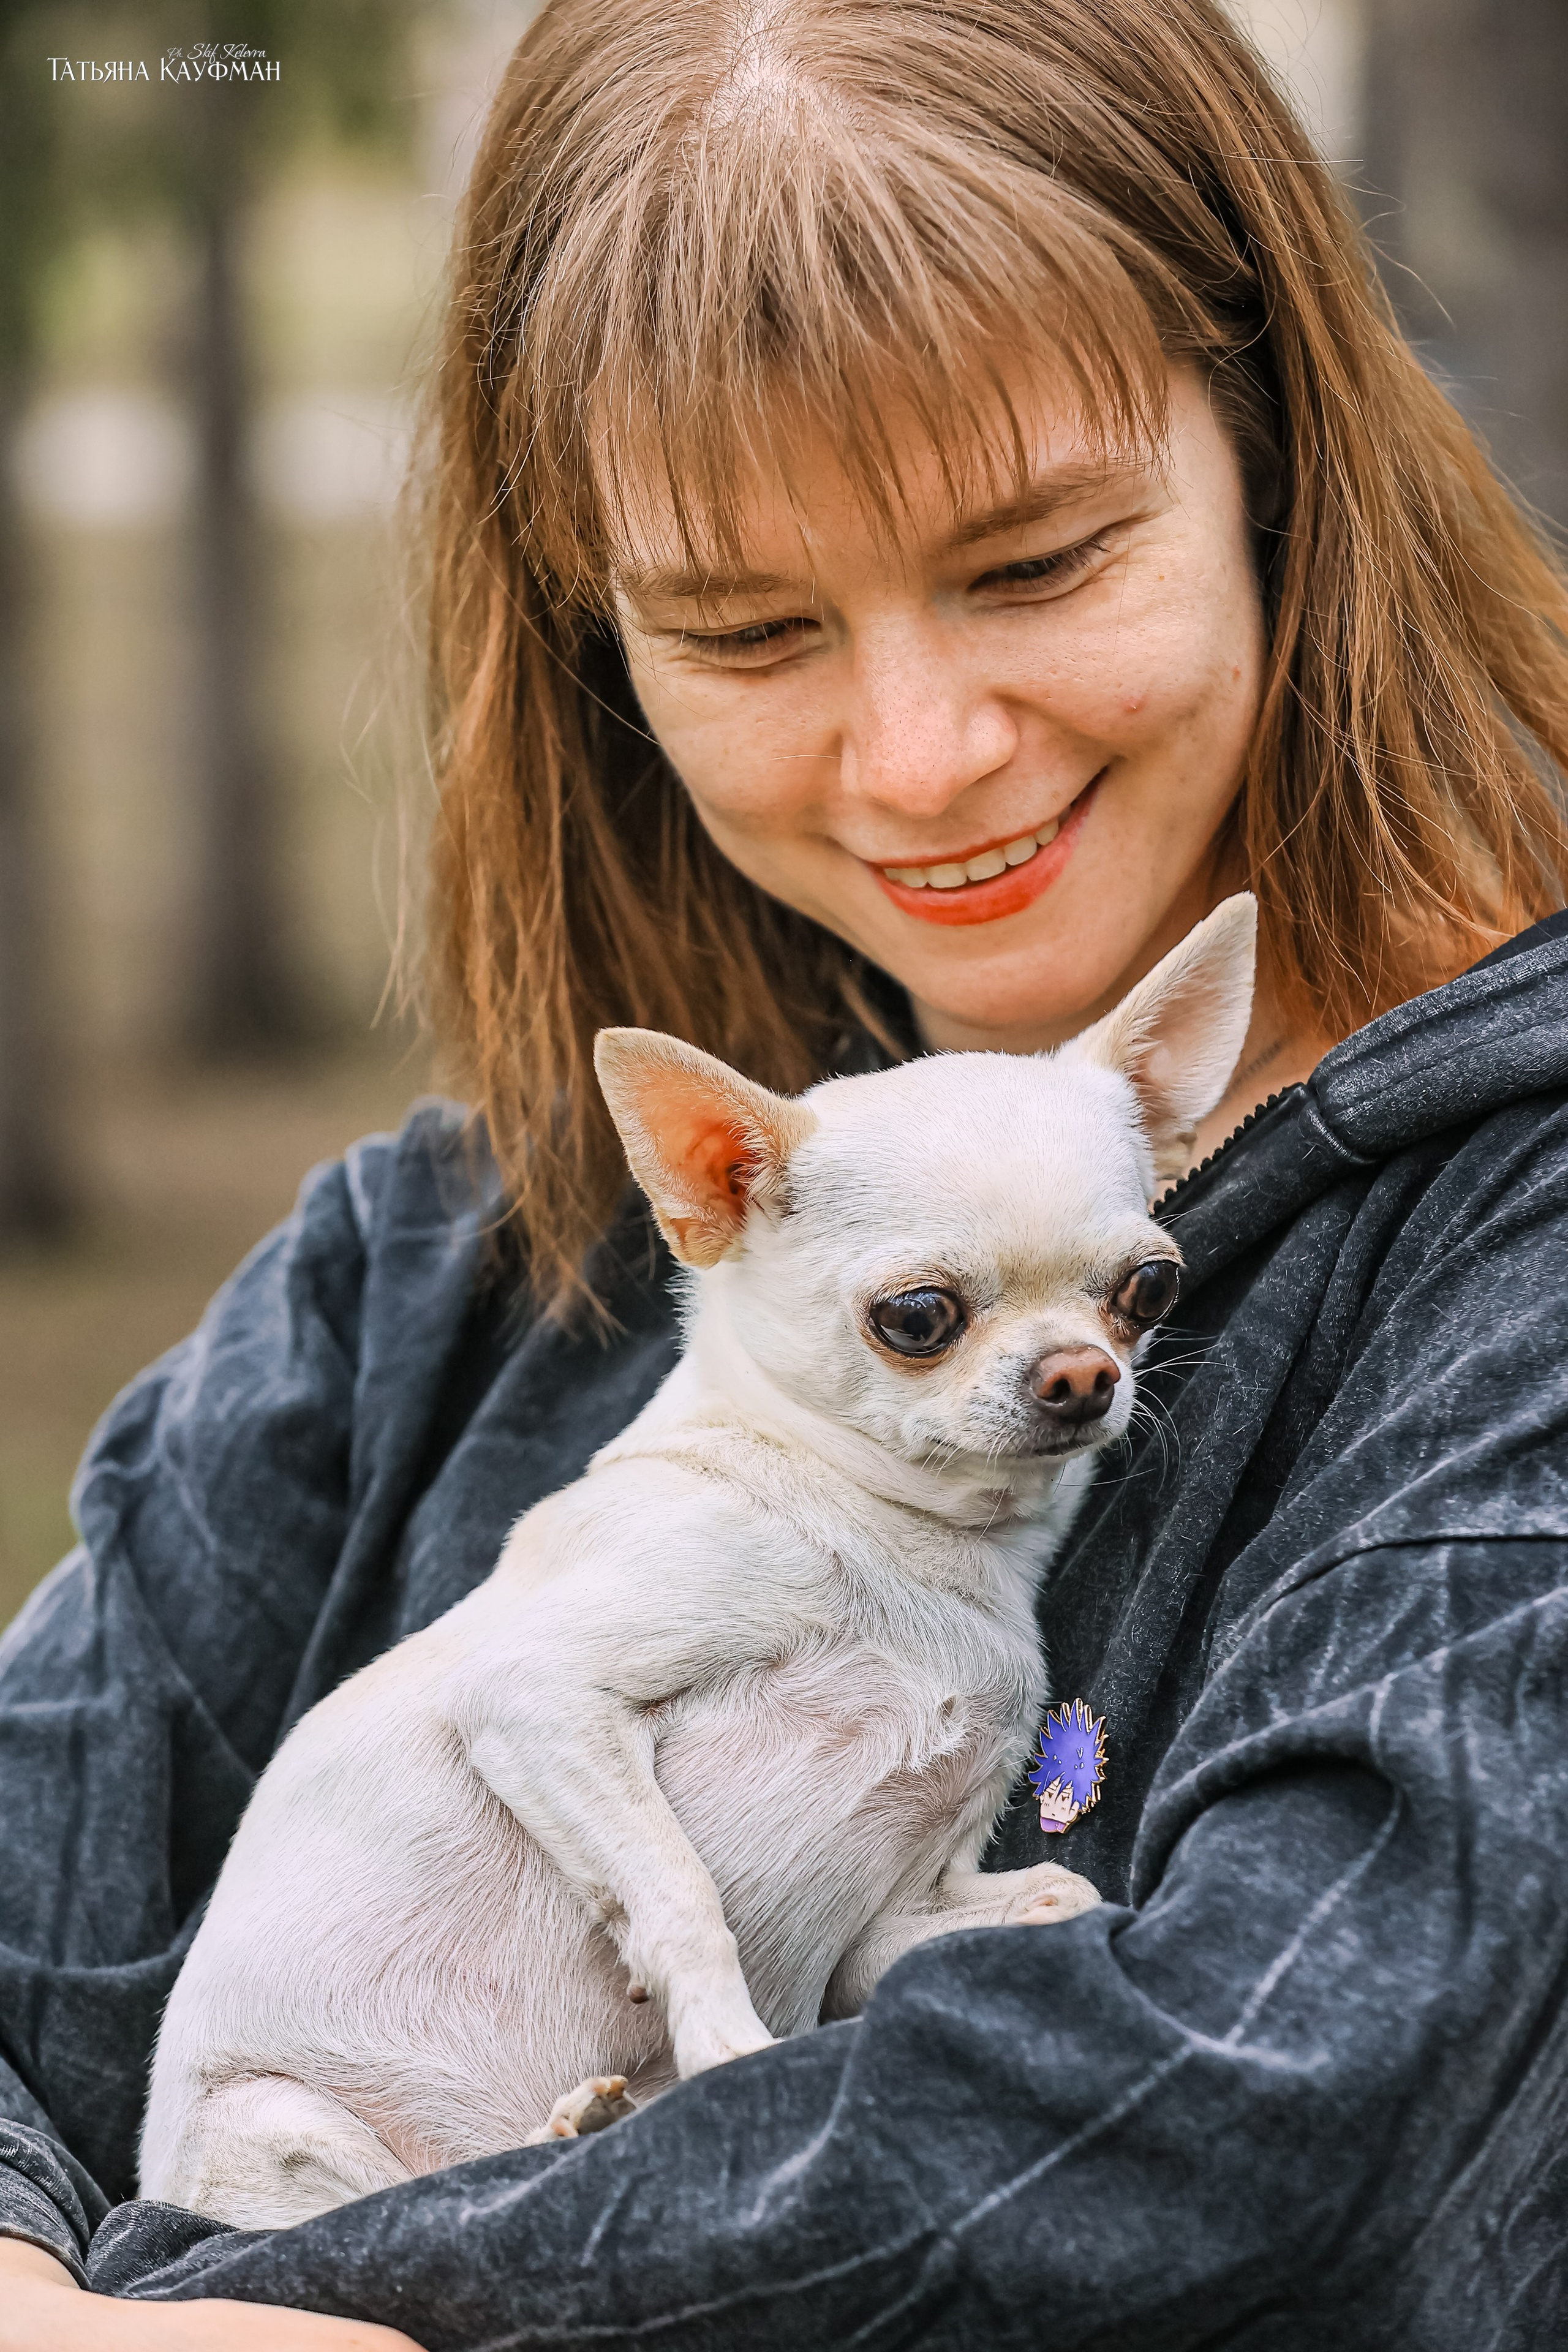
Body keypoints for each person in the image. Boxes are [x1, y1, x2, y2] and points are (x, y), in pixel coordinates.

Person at [4, 0, 1568, 2343]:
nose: (920, 755)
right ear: (597, 646)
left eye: (1035, 563)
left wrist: (231, 2312)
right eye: (746, 628)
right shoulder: (435, 1275)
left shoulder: (1510, 1245)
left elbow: (1274, 2116)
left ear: (1277, 455)